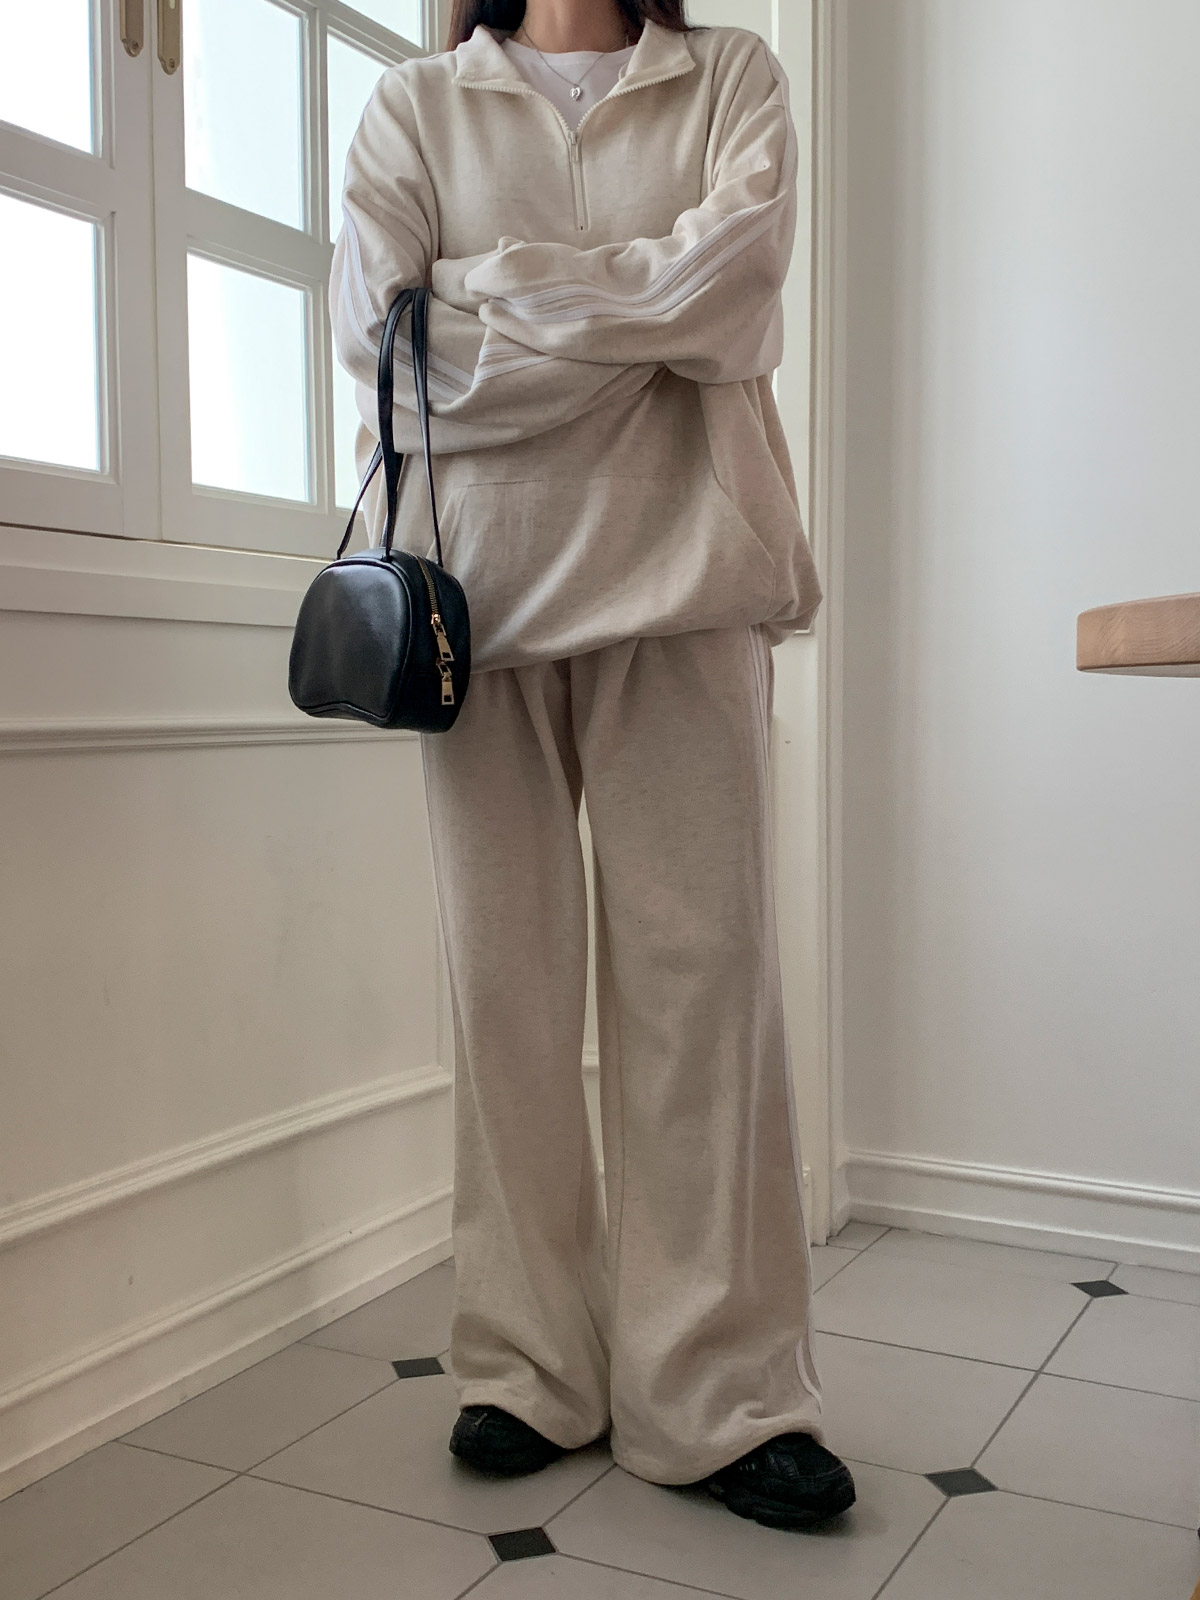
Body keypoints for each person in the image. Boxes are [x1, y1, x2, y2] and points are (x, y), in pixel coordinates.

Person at [329, 0, 856, 1532]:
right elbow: (386, 353)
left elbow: (735, 295)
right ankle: (528, 1365)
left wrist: (491, 288)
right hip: (474, 611)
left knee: (705, 998)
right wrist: (639, 319)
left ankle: (720, 1392)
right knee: (503, 995)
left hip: (692, 581)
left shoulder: (732, 77)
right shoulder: (414, 105)